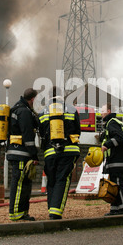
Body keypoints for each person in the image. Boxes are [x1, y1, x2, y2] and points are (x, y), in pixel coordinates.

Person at [39, 87, 81, 220]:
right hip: (68, 151)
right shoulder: (72, 109)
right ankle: (56, 212)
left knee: (51, 180)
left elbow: (41, 134)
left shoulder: (42, 112)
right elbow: (78, 131)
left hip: (49, 152)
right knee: (62, 179)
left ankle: (52, 207)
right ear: (62, 96)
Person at [7, 88, 39, 221]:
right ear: (32, 99)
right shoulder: (24, 112)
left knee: (25, 184)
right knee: (20, 183)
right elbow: (28, 135)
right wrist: (34, 155)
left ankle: (23, 212)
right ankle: (16, 213)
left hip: (17, 152)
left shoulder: (16, 108)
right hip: (21, 154)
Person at [100, 103, 123, 216]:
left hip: (118, 160)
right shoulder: (111, 123)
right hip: (115, 161)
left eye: (103, 110)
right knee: (114, 185)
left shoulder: (112, 122)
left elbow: (118, 138)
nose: (101, 113)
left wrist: (106, 145)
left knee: (118, 184)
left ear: (109, 111)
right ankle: (115, 209)